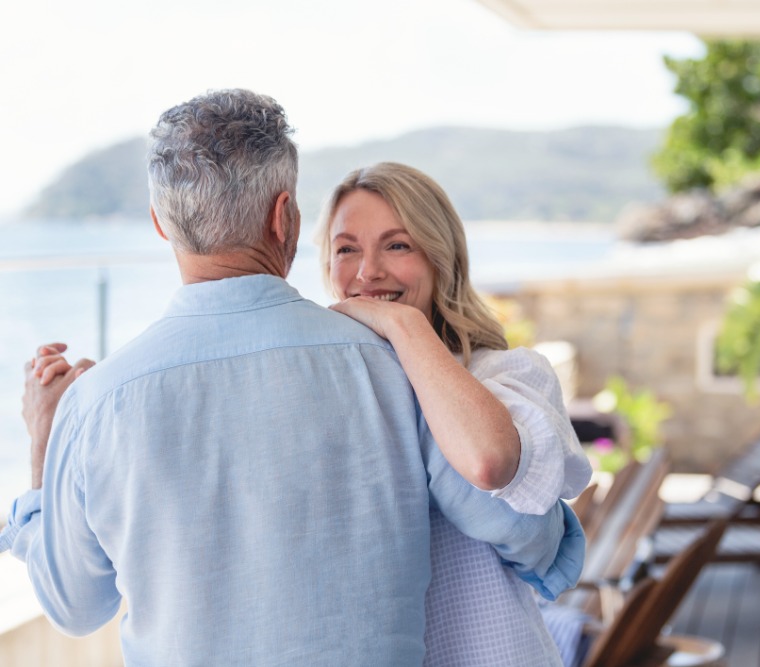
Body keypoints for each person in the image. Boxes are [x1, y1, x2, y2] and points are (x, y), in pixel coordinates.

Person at [1, 89, 583, 666]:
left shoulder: (99, 402)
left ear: (160, 224)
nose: (368, 272)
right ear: (286, 218)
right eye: (348, 248)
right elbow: (516, 525)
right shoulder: (395, 370)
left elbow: (74, 606)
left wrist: (45, 450)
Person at [316, 161, 593, 666]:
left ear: (440, 257)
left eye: (397, 245)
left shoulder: (506, 377)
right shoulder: (326, 393)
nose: (366, 272)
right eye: (346, 249)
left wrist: (406, 327)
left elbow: (489, 462)